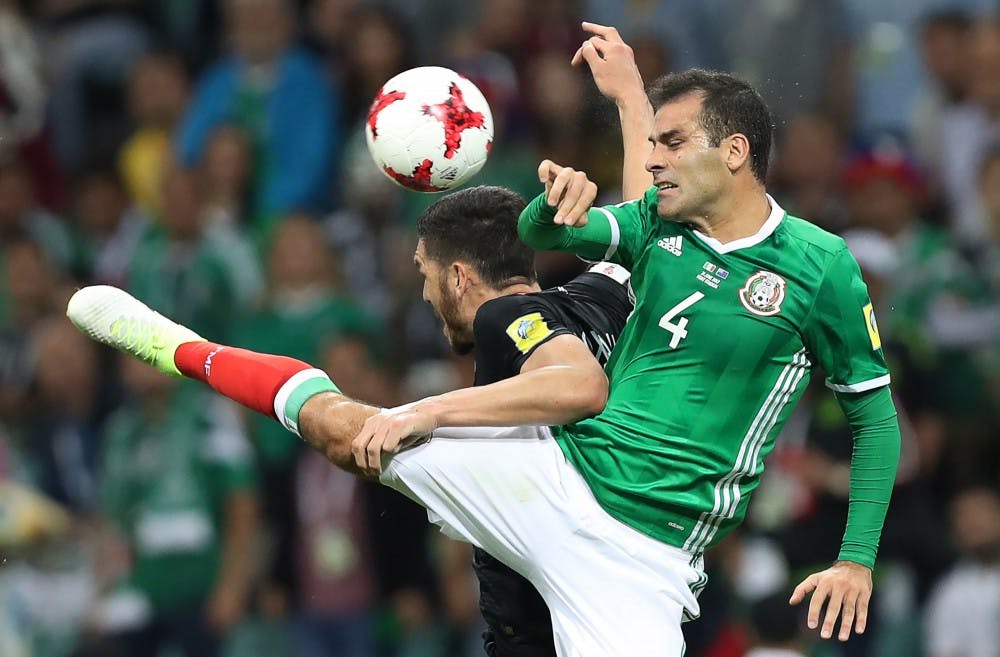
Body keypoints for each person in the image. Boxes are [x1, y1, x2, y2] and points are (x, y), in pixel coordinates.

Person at [68, 185, 636, 656]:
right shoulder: (602, 292)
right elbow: (644, 237)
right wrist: (629, 100)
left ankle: (184, 351)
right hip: (600, 536)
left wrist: (427, 408)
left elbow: (579, 386)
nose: (423, 291)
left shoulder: (504, 314)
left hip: (547, 510)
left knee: (351, 432)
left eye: (425, 272)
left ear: (459, 277)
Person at [520, 21, 899, 648]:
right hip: (560, 473)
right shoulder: (655, 224)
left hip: (657, 536)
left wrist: (856, 558)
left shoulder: (820, 263)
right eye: (654, 143)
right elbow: (546, 234)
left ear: (734, 151)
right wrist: (552, 199)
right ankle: (299, 390)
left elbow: (876, 420)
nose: (652, 159)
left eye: (673, 142)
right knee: (385, 434)